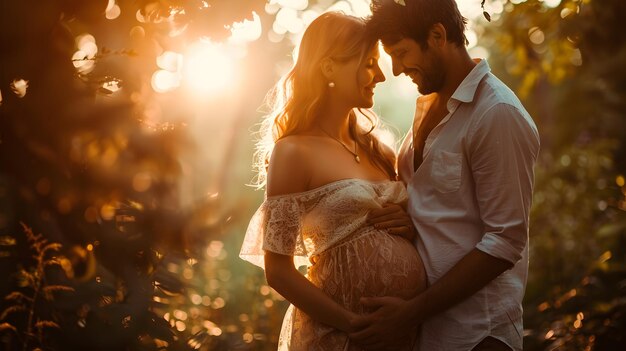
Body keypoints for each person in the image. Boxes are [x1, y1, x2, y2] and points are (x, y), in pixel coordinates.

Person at [349, 0, 541, 350]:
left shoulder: (497, 114)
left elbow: (505, 241)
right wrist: (406, 219)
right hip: (426, 334)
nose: (394, 69)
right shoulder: (429, 103)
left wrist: (409, 313)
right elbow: (439, 206)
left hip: (477, 335)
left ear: (438, 35)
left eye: (401, 52)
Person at [239, 11, 427, 351]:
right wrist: (354, 325)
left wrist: (408, 223)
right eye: (369, 63)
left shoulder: (379, 150)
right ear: (328, 67)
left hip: (402, 337)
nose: (381, 75)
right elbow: (278, 271)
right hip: (338, 338)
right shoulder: (293, 152)